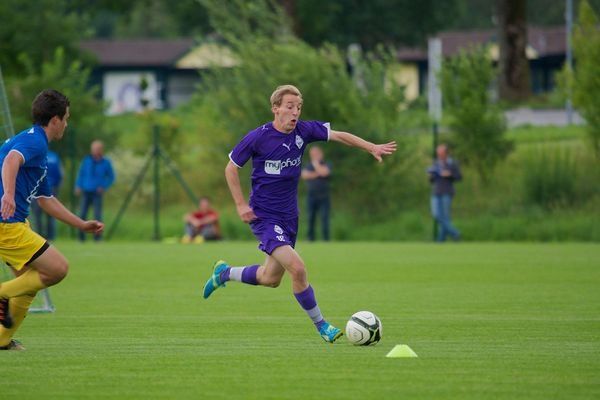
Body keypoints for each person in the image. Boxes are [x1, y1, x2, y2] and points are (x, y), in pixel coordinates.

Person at [202, 84, 396, 343]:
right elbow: (230, 168)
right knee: (298, 269)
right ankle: (322, 326)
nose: (295, 112)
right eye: (290, 107)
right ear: (275, 108)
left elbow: (339, 136)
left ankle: (224, 273)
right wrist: (240, 205)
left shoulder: (304, 131)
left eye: (299, 107)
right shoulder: (258, 137)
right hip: (264, 217)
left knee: (270, 278)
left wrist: (371, 147)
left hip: (289, 217)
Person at [0, 89, 104, 350]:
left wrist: (81, 224)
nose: (66, 124)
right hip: (6, 223)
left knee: (28, 283)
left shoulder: (37, 148)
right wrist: (9, 195)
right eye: (66, 119)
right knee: (57, 269)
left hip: (13, 222)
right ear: (55, 120)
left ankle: (1, 340)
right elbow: (11, 160)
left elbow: (46, 199)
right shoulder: (35, 141)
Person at [75, 140, 114, 241]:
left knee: (97, 216)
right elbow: (81, 174)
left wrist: (103, 186)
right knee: (82, 214)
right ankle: (81, 238)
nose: (94, 151)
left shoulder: (106, 162)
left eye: (96, 149)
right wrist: (78, 185)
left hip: (97, 193)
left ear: (101, 150)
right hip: (86, 191)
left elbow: (111, 177)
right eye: (93, 149)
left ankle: (98, 238)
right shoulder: (86, 161)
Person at [428, 144, 462, 242]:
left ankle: (441, 240)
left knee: (445, 217)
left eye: (441, 153)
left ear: (446, 153)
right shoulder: (436, 163)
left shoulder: (452, 163)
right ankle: (455, 233)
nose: (439, 155)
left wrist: (449, 174)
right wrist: (431, 175)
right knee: (436, 215)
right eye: (438, 153)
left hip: (447, 192)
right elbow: (431, 180)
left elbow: (459, 177)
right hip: (436, 192)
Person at [30, 149, 63, 240]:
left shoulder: (35, 155)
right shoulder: (55, 156)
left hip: (37, 187)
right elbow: (61, 174)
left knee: (37, 214)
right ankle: (51, 236)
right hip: (52, 188)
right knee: (51, 213)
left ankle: (39, 236)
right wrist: (57, 187)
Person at [301, 145, 331, 241]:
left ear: (321, 154)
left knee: (324, 217)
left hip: (324, 196)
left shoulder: (327, 163)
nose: (314, 156)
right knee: (310, 217)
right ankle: (310, 238)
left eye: (316, 154)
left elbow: (325, 173)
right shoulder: (308, 165)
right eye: (312, 154)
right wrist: (318, 173)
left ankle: (326, 239)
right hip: (311, 196)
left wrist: (316, 165)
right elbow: (304, 175)